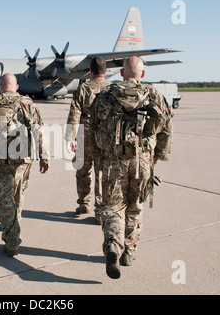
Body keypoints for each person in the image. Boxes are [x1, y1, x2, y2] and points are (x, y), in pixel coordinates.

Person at [90, 56, 173, 279]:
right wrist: (156, 158)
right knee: (135, 207)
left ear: (122, 73)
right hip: (141, 162)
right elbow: (166, 128)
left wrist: (98, 159)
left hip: (112, 162)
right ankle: (129, 252)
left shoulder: (106, 95)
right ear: (142, 74)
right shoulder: (154, 95)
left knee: (112, 207)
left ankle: (112, 247)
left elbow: (93, 127)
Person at [0, 73, 50, 257]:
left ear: (0, 86)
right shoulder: (27, 103)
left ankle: (12, 239)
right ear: (16, 87)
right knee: (18, 192)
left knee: (3, 197)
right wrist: (44, 158)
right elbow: (39, 131)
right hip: (22, 159)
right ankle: (15, 220)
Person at [66, 57, 111, 223]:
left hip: (85, 135)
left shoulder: (83, 88)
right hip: (104, 137)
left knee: (83, 171)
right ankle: (100, 210)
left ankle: (84, 203)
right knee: (102, 173)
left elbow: (74, 113)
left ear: (90, 71)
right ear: (105, 71)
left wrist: (70, 137)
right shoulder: (113, 89)